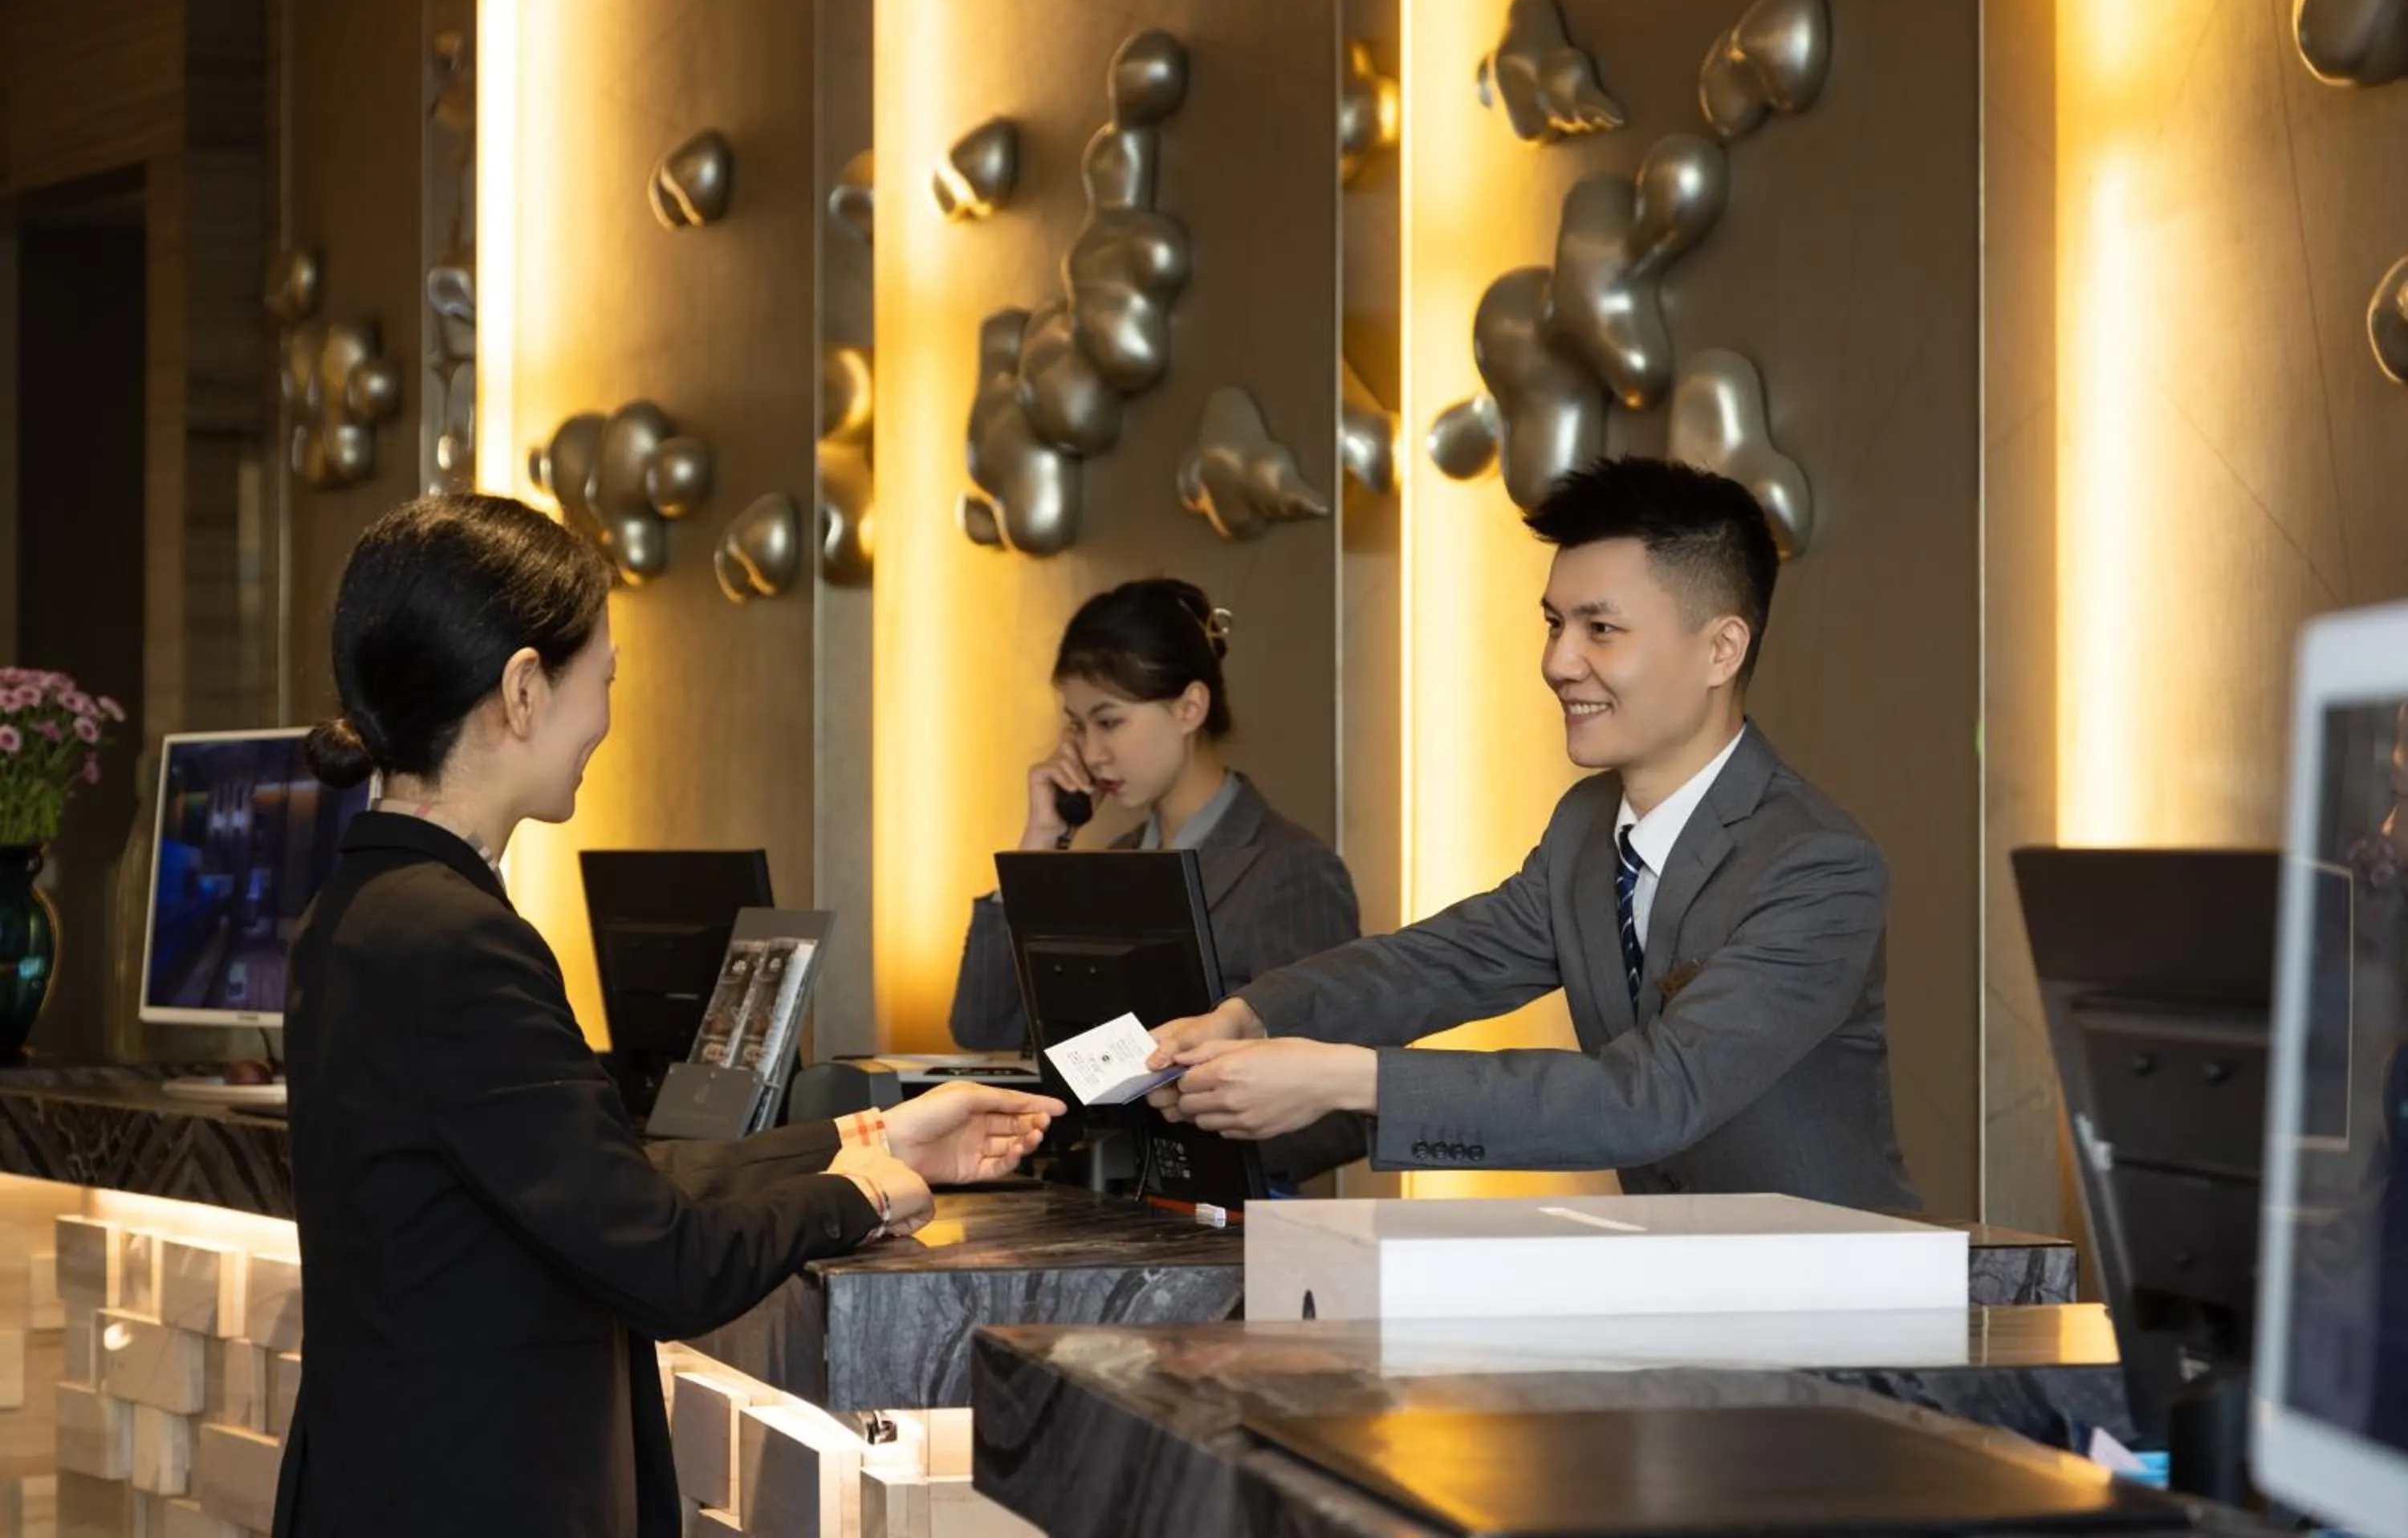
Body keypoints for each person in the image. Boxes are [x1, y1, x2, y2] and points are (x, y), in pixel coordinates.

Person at [272, 496, 1063, 1538]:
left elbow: (594, 1188)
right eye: (601, 680)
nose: (603, 720)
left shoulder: (361, 912)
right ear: (521, 690)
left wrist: (868, 1135)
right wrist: (855, 1196)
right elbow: (664, 1262)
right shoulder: (456, 942)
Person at [1145, 456, 1921, 1211]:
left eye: (1602, 629)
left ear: (1721, 648)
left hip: (1838, 1294)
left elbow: (1653, 1097)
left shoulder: (1819, 865)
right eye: (1554, 624)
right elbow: (1441, 963)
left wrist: (1346, 1080)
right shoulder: (1586, 826)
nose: (1558, 662)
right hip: (1680, 1280)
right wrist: (1256, 1014)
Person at [949, 579, 1361, 1050]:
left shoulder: (1291, 872)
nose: (1092, 752)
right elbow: (981, 1029)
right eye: (1077, 726)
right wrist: (1040, 844)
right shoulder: (1111, 865)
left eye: (1109, 723)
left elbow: (1321, 1091)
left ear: (1189, 708)